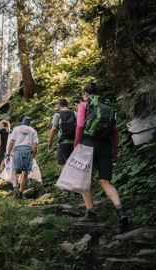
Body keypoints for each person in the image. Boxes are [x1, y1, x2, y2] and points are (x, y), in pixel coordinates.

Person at [75, 83, 129, 228]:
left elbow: (80, 125)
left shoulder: (84, 105)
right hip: (105, 145)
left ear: (86, 94)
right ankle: (121, 211)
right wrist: (114, 150)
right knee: (105, 182)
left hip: (88, 144)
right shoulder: (108, 106)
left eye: (83, 94)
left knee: (84, 180)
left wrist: (76, 144)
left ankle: (91, 213)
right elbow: (115, 131)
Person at [6, 116, 38, 198]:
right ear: (29, 123)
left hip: (17, 151)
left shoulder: (16, 129)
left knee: (15, 171)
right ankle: (20, 194)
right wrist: (34, 156)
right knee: (25, 173)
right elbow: (35, 146)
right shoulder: (33, 130)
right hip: (28, 151)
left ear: (22, 122)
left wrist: (8, 154)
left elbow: (11, 142)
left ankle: (15, 188)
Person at [48, 99, 77, 170]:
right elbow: (80, 125)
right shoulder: (74, 113)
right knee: (74, 164)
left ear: (59, 105)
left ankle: (66, 180)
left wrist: (50, 141)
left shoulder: (57, 114)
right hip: (74, 142)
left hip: (62, 142)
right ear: (67, 105)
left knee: (63, 164)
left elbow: (54, 128)